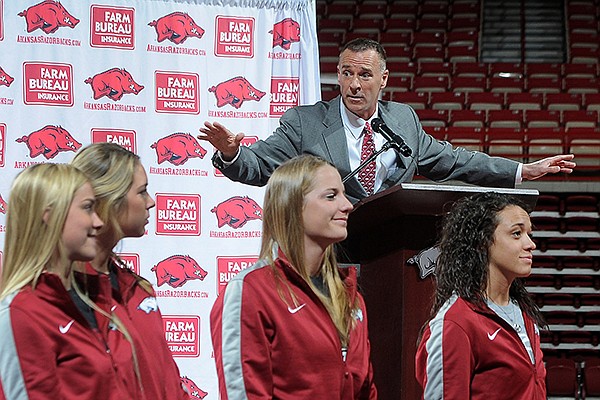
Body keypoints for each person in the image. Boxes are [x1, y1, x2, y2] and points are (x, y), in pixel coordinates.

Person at [198, 38, 575, 204]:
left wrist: (523, 170)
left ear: (384, 79)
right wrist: (233, 153)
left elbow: (454, 161)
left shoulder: (403, 121)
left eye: (364, 75)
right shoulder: (305, 122)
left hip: (391, 250)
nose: (353, 84)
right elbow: (260, 165)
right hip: (329, 256)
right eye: (346, 73)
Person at [210, 155, 377, 399]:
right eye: (331, 196)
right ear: (293, 205)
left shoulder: (351, 297)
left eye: (344, 193)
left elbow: (366, 390)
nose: (348, 205)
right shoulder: (252, 292)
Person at [0, 163, 145, 399]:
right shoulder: (22, 313)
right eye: (87, 208)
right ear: (49, 216)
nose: (98, 222)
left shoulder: (96, 299)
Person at [71, 142, 188, 400]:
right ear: (108, 200)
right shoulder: (62, 294)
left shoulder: (138, 289)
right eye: (142, 192)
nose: (152, 202)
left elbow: (168, 379)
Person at [415, 192, 547, 399]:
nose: (530, 244)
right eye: (516, 234)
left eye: (529, 234)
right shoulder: (455, 323)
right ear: (482, 242)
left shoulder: (524, 313)